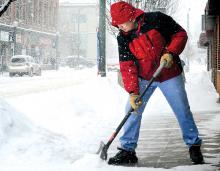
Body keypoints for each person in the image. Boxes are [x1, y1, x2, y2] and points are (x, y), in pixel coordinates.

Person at [108, 1, 204, 166]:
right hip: (144, 77)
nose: (120, 27)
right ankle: (127, 150)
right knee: (132, 110)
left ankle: (193, 144)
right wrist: (133, 92)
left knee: (182, 109)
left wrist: (170, 53)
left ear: (131, 17)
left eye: (121, 23)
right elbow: (127, 66)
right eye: (117, 24)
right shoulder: (123, 37)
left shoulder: (157, 20)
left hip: (169, 73)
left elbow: (180, 34)